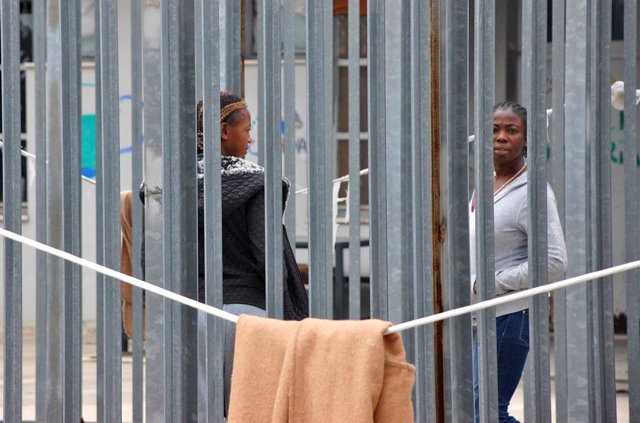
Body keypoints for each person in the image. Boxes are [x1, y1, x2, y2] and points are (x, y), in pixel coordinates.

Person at [196, 92, 309, 412]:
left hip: (191, 311)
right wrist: (290, 315)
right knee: (252, 411)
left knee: (200, 410)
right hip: (249, 316)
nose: (250, 137)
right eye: (246, 129)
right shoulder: (255, 183)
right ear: (223, 131)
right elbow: (268, 257)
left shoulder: (174, 185)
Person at [469, 101, 567, 423]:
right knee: (477, 407)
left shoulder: (534, 193)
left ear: (526, 139)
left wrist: (492, 283)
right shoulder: (484, 185)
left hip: (509, 315)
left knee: (489, 412)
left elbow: (554, 260)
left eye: (511, 130)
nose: (500, 137)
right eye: (494, 130)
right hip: (479, 313)